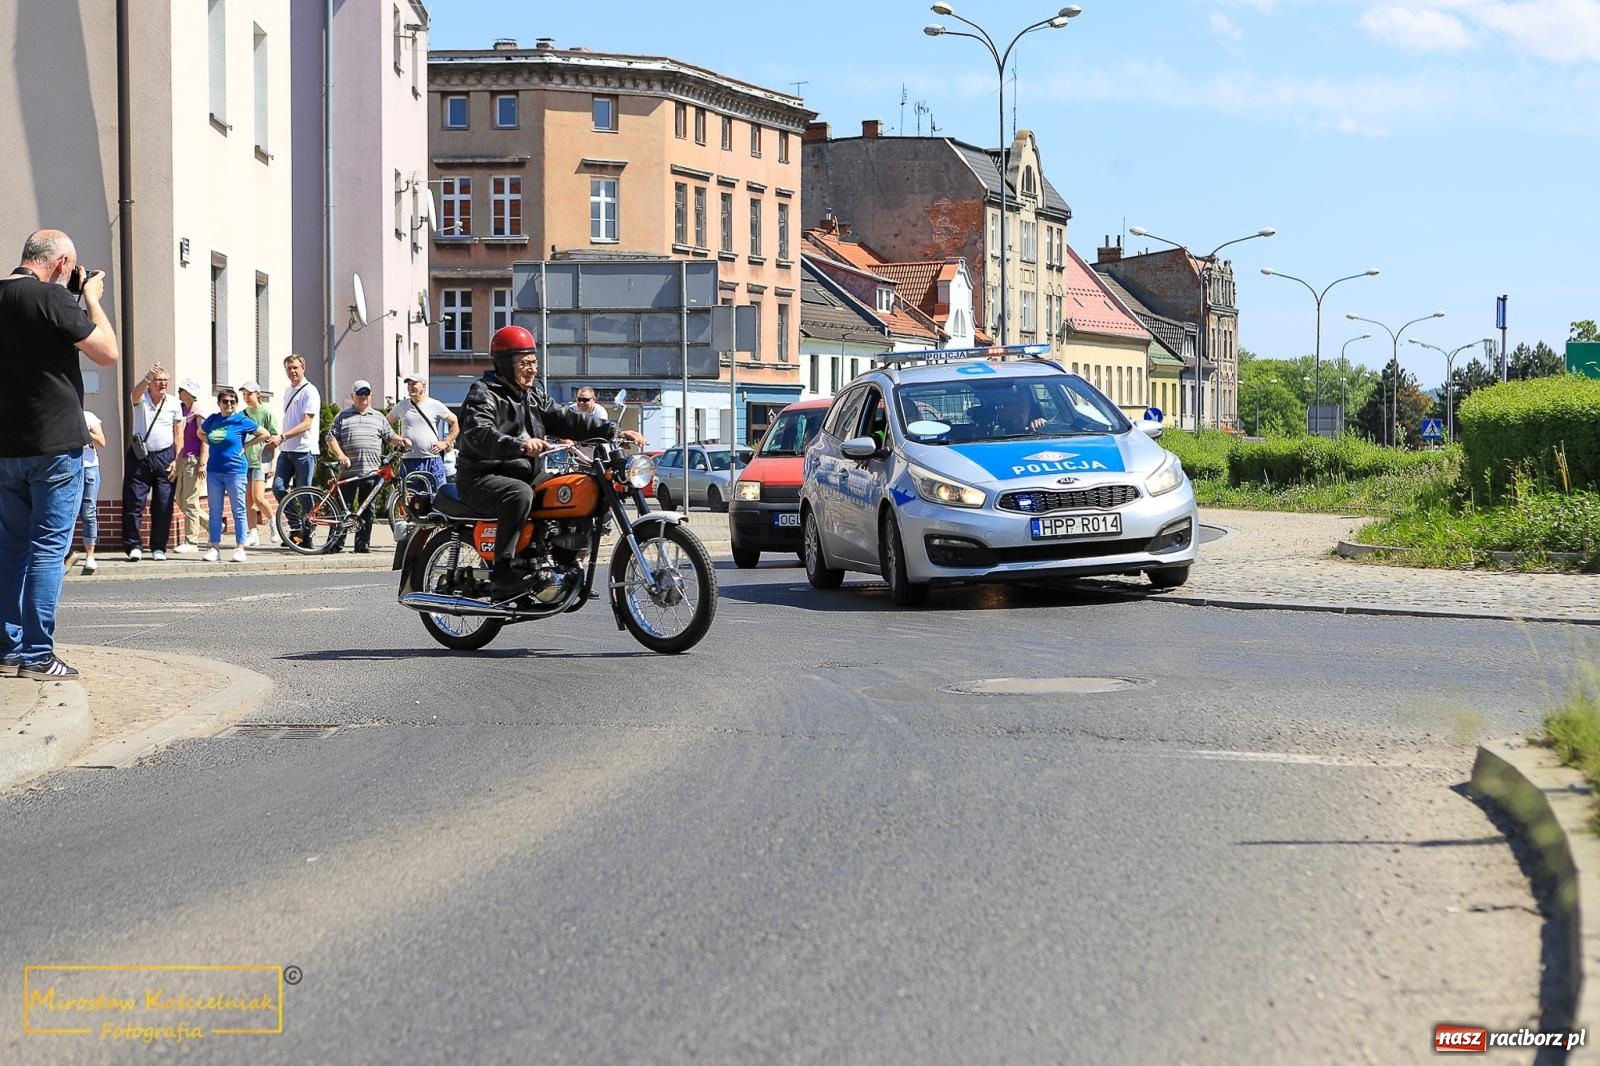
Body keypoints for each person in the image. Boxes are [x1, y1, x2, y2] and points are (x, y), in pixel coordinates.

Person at [0, 228, 119, 679]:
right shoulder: (53, 301)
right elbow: (106, 351)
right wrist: (90, 297)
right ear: (62, 264)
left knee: (9, 551)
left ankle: (8, 648)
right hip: (54, 448)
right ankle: (37, 656)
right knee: (49, 550)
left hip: (6, 449)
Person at [458, 325, 641, 600]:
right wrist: (519, 445)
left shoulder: (533, 395)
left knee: (582, 485)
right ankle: (503, 574)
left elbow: (566, 418)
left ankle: (566, 559)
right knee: (518, 494)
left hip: (527, 473)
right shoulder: (483, 394)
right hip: (482, 477)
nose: (531, 369)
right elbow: (478, 433)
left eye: (533, 362)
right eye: (524, 363)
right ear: (505, 364)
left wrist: (612, 431)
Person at [326, 380, 408, 554]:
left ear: (371, 396)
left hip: (372, 471)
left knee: (368, 510)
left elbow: (390, 436)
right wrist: (340, 455)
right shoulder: (342, 416)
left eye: (366, 393)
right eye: (360, 394)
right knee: (342, 508)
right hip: (349, 471)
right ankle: (334, 544)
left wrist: (401, 441)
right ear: (353, 396)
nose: (363, 397)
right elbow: (331, 438)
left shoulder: (378, 417)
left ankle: (362, 545)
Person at [121, 362, 183, 561]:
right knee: (134, 501)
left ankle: (159, 547)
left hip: (165, 456)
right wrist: (147, 377)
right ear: (151, 383)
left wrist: (177, 459)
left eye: (166, 380)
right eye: (159, 380)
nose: (163, 384)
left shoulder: (174, 403)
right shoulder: (141, 399)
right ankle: (133, 546)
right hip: (140, 457)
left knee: (164, 503)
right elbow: (134, 395)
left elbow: (178, 433)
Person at [200, 387, 269, 562]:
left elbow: (264, 434)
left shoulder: (241, 420)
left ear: (236, 404)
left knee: (238, 510)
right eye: (225, 401)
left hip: (235, 471)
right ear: (219, 403)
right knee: (215, 511)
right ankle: (215, 547)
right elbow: (200, 432)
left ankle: (240, 547)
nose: (229, 404)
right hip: (215, 470)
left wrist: (246, 446)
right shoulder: (213, 420)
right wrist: (211, 443)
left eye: (232, 401)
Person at [266, 353, 320, 506]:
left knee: (303, 492)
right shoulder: (288, 391)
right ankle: (296, 523)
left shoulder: (310, 391)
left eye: (295, 367)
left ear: (303, 368)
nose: (292, 371)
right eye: (288, 368)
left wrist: (282, 437)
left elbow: (306, 424)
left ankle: (308, 527)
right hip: (287, 450)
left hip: (304, 450)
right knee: (277, 488)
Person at [389, 373, 457, 491]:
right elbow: (386, 423)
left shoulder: (435, 405)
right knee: (411, 501)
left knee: (437, 497)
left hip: (432, 460)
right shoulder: (402, 406)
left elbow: (454, 422)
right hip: (409, 461)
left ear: (424, 386)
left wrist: (445, 443)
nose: (410, 387)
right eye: (409, 384)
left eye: (414, 384)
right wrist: (396, 439)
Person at [170, 377, 209, 553]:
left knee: (191, 500)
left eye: (182, 390)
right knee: (180, 499)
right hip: (182, 458)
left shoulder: (198, 413)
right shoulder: (180, 410)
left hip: (194, 461)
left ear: (190, 393)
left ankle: (191, 541)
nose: (179, 392)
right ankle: (213, 526)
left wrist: (203, 463)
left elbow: (205, 439)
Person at [239, 381, 278, 545]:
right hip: (244, 461)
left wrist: (273, 463)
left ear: (258, 394)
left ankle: (274, 524)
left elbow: (274, 439)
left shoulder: (266, 413)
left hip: (261, 461)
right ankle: (253, 533)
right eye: (244, 394)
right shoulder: (242, 414)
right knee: (247, 500)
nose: (246, 397)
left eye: (249, 394)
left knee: (258, 496)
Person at [76, 409, 105, 574]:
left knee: (88, 511)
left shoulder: (89, 416)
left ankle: (90, 555)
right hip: (68, 468)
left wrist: (84, 432)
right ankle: (65, 554)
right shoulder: (61, 415)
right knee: (66, 513)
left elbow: (102, 442)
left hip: (89, 468)